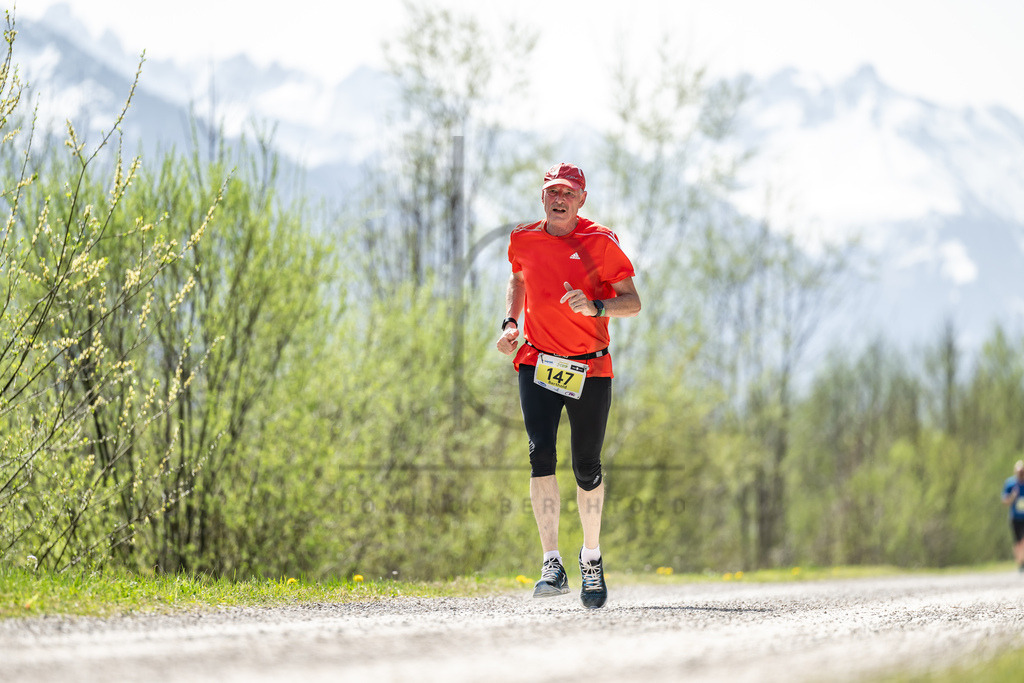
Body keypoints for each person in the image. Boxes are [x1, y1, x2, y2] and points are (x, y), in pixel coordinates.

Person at [495, 162, 641, 608]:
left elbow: (632, 303)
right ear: (543, 197)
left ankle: (591, 558)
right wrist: (510, 323)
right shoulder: (523, 238)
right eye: (553, 190)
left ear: (581, 200)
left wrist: (595, 306)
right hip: (537, 361)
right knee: (540, 454)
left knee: (586, 466)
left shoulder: (600, 242)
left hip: (589, 368)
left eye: (569, 192)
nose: (560, 198)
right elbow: (518, 279)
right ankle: (552, 563)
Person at [1001, 460, 1024, 572]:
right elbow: (1004, 501)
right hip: (1015, 517)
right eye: (1019, 471)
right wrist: (1012, 497)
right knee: (1017, 541)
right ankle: (1020, 563)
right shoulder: (1010, 484)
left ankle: (1022, 561)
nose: (1021, 473)